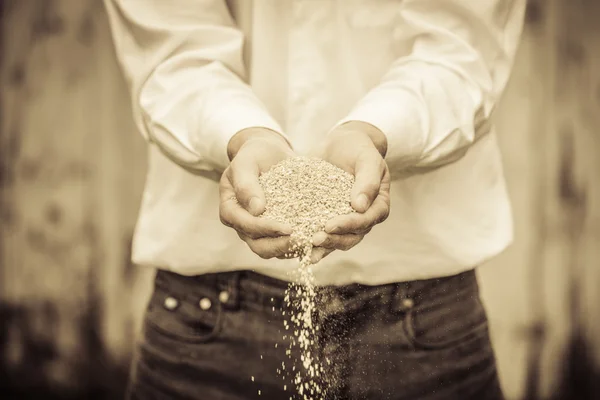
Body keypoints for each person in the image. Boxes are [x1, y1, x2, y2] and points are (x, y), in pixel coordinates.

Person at [104, 0, 525, 399]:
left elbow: (461, 50)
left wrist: (374, 131)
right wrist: (241, 134)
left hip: (423, 310)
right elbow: (172, 55)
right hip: (209, 310)